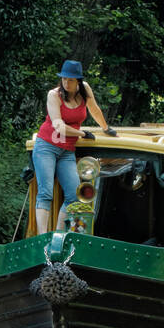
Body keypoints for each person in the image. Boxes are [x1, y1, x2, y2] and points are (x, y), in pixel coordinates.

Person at [33, 60, 109, 234]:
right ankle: (41, 237)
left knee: (74, 195)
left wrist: (106, 128)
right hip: (47, 146)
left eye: (71, 80)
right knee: (45, 193)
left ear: (79, 81)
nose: (67, 83)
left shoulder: (85, 90)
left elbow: (95, 110)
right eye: (64, 79)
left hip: (67, 150)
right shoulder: (54, 95)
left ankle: (58, 236)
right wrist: (83, 134)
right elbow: (58, 126)